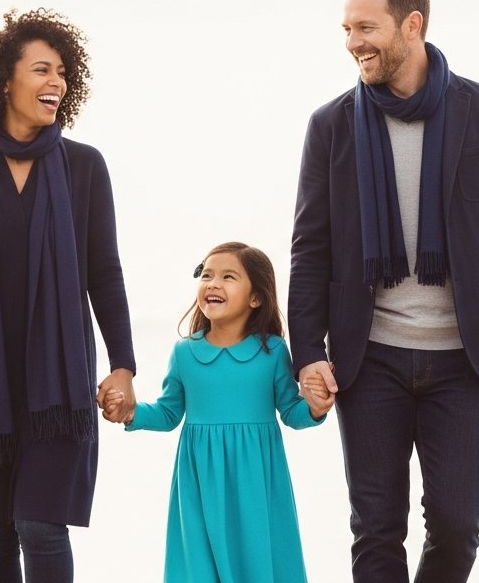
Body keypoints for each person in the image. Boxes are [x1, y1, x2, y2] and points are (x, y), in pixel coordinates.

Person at [289, 0, 479, 582]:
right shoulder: (330, 126)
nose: (353, 41)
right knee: (376, 529)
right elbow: (311, 248)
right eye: (347, 28)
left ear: (413, 25)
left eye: (366, 26)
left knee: (459, 524)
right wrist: (307, 353)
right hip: (369, 356)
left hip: (461, 357)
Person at [0, 8, 138, 583]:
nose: (57, 83)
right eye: (42, 69)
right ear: (4, 80)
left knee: (42, 525)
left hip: (57, 386)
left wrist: (123, 366)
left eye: (63, 72)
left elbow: (104, 272)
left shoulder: (85, 167)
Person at [104, 242, 333, 583]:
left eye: (228, 277)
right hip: (199, 482)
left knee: (256, 560)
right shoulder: (185, 353)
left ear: (256, 297)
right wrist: (129, 413)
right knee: (198, 565)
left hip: (256, 481)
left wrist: (314, 409)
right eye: (207, 275)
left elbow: (290, 410)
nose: (213, 283)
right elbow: (168, 413)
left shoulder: (272, 351)